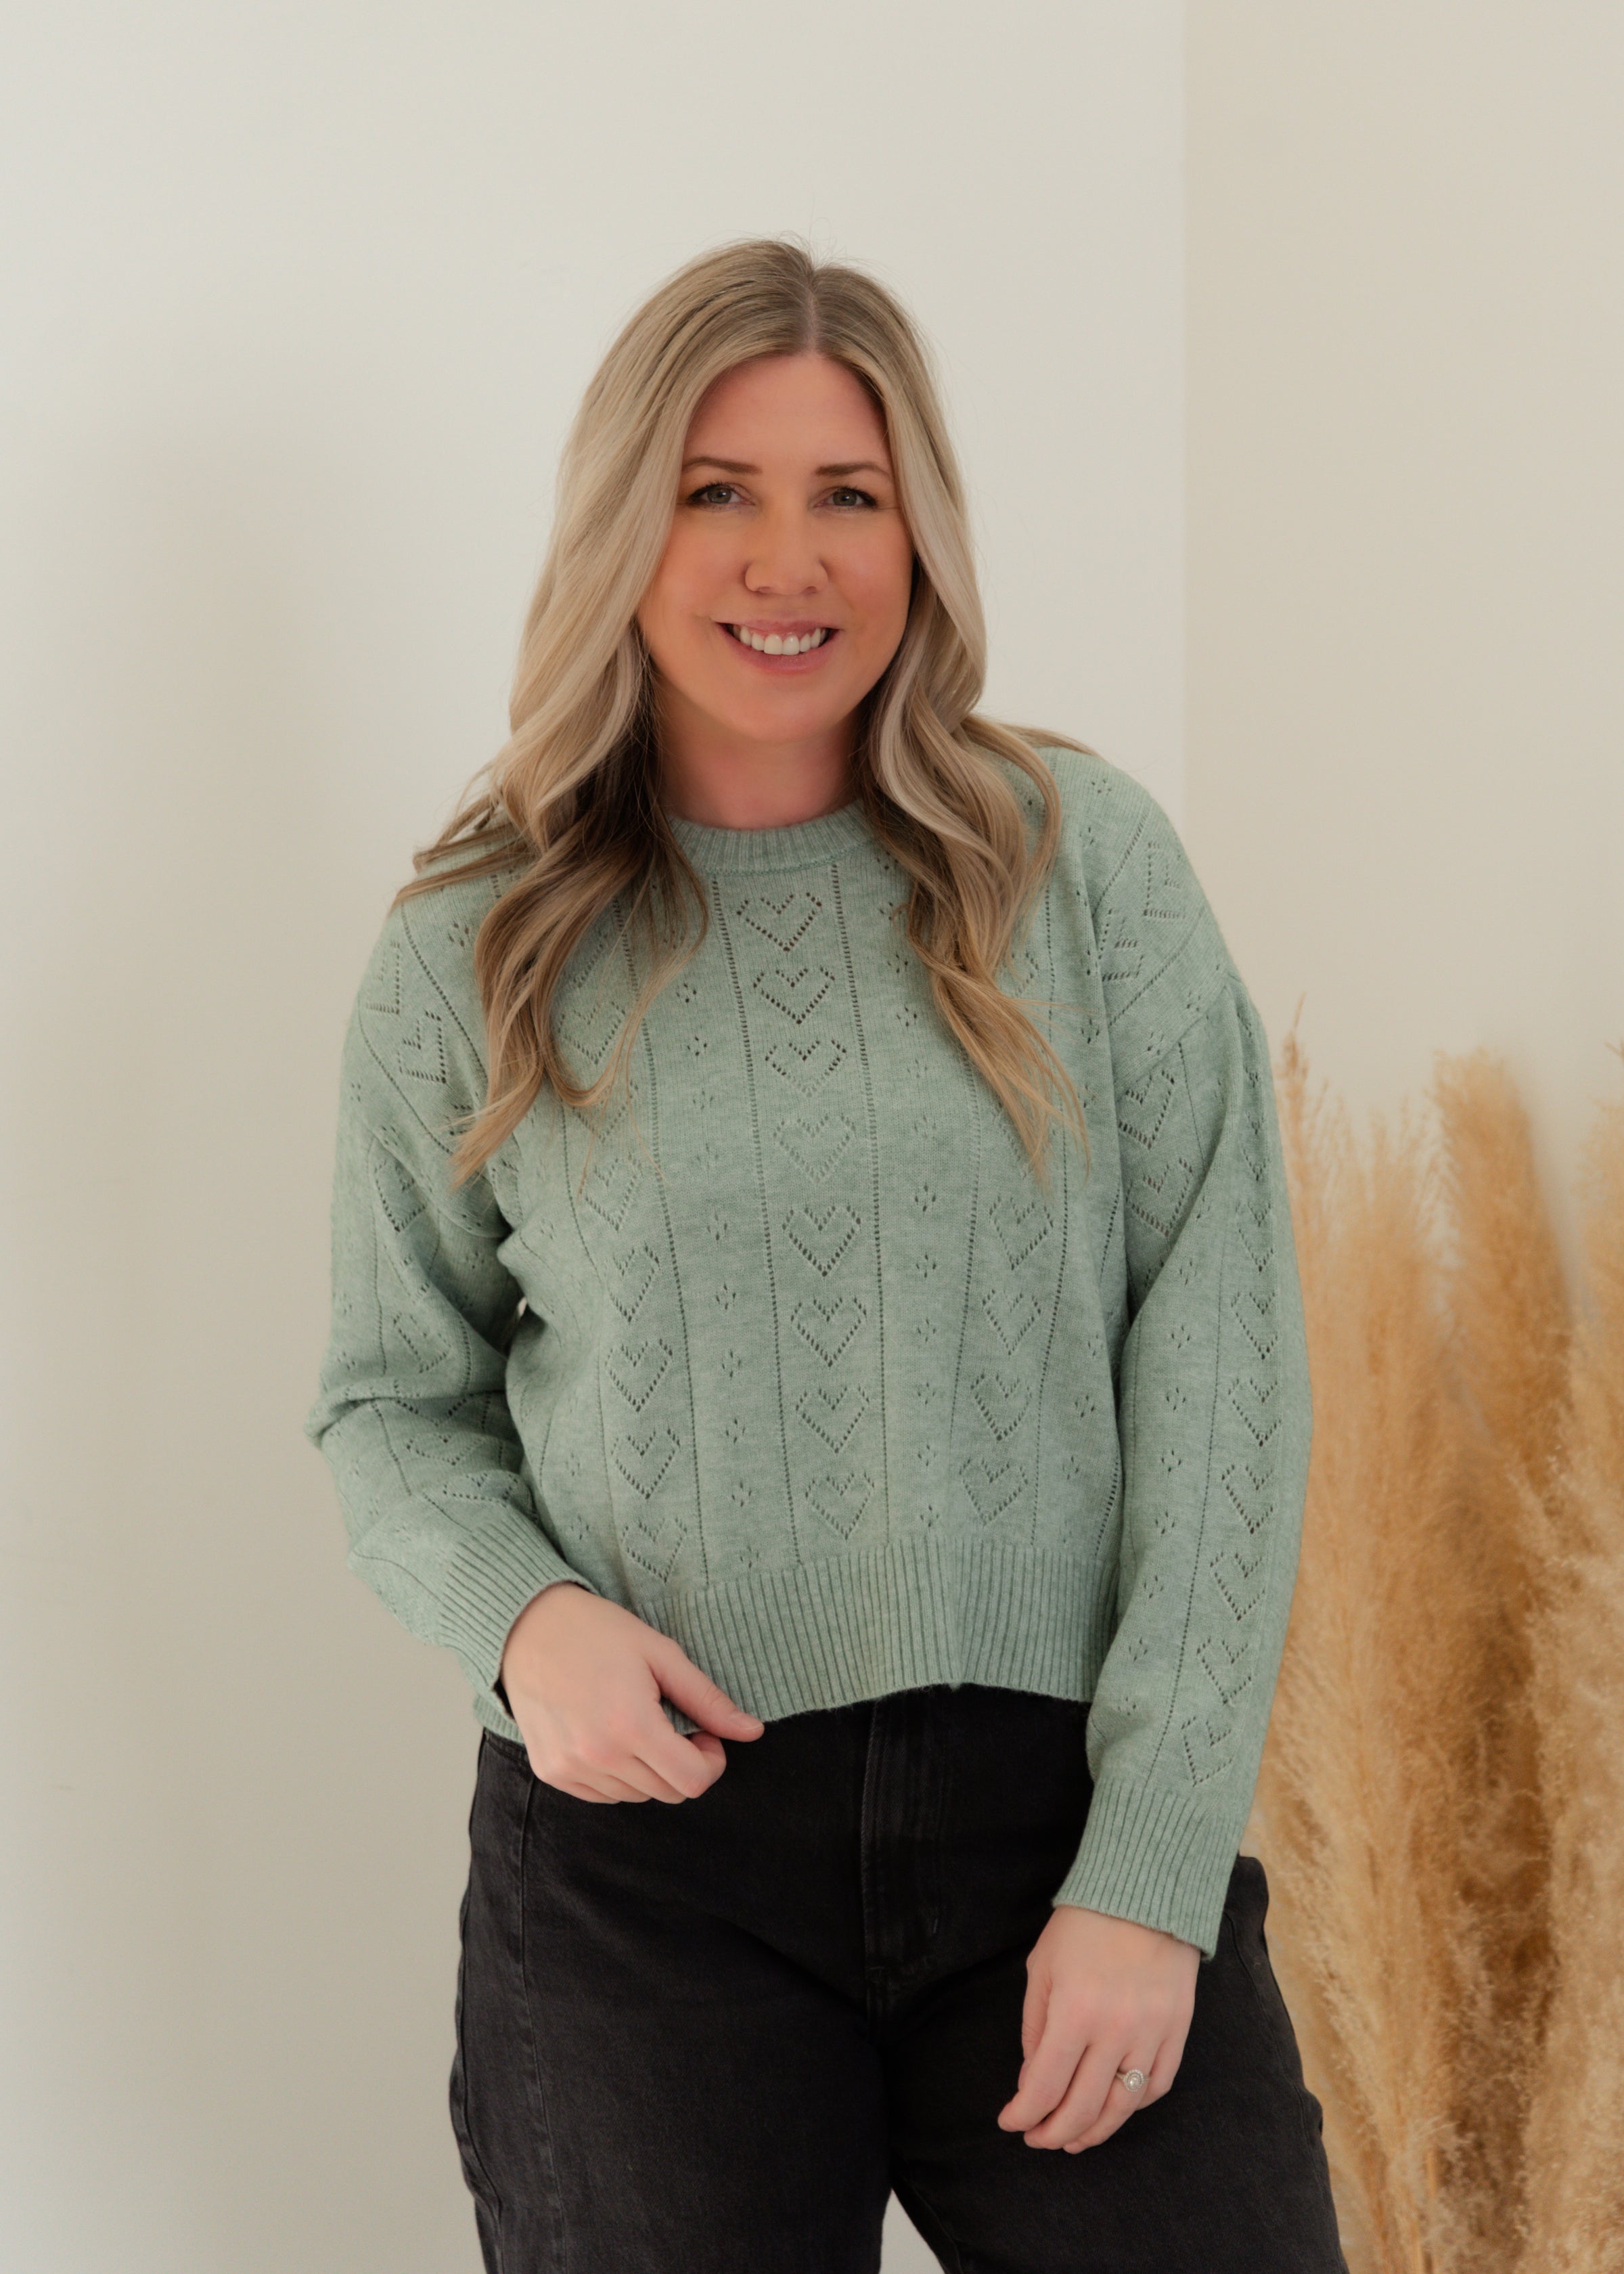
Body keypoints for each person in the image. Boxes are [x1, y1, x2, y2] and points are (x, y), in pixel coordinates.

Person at [305, 237, 1345, 2273]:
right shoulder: (476, 940)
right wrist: (527, 1625)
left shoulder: (1082, 863)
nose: (789, 562)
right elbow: (388, 1403)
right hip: (651, 1871)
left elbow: (1226, 1360)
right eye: (721, 491)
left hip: (1063, 1825)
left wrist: (1150, 1870)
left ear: (919, 533)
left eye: (848, 495)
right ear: (626, 523)